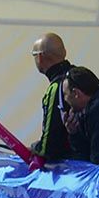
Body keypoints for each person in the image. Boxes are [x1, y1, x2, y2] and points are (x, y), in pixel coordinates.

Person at [29, 33, 74, 163]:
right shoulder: (78, 75)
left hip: (74, 168)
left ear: (40, 57)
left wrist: (34, 148)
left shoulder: (56, 87)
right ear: (64, 52)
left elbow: (48, 146)